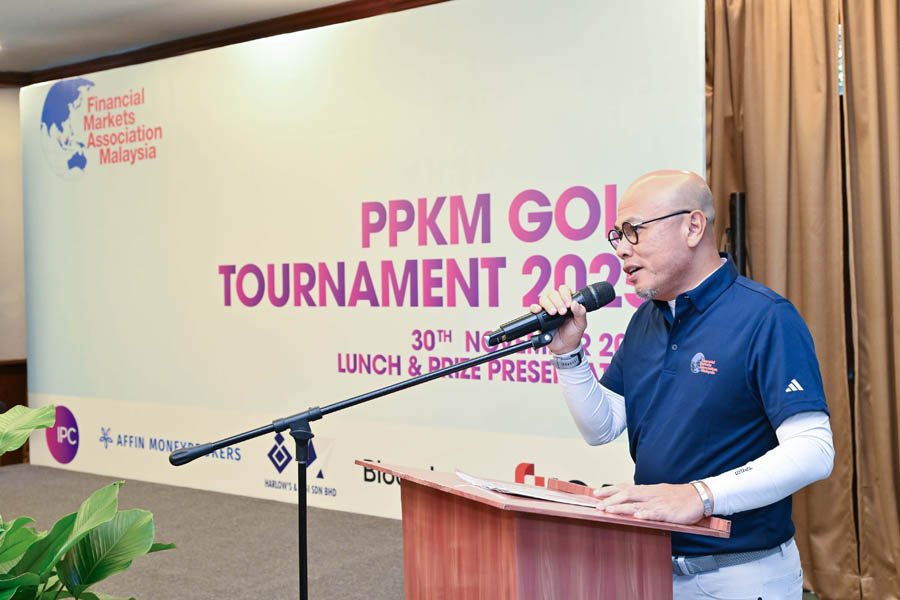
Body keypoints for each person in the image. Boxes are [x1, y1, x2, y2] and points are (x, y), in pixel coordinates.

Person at [533, 170, 834, 599]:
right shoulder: (647, 319)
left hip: (741, 575)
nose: (621, 249)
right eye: (617, 235)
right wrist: (568, 354)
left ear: (693, 227)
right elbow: (602, 427)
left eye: (634, 231)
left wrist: (700, 495)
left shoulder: (766, 317)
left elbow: (814, 451)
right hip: (652, 567)